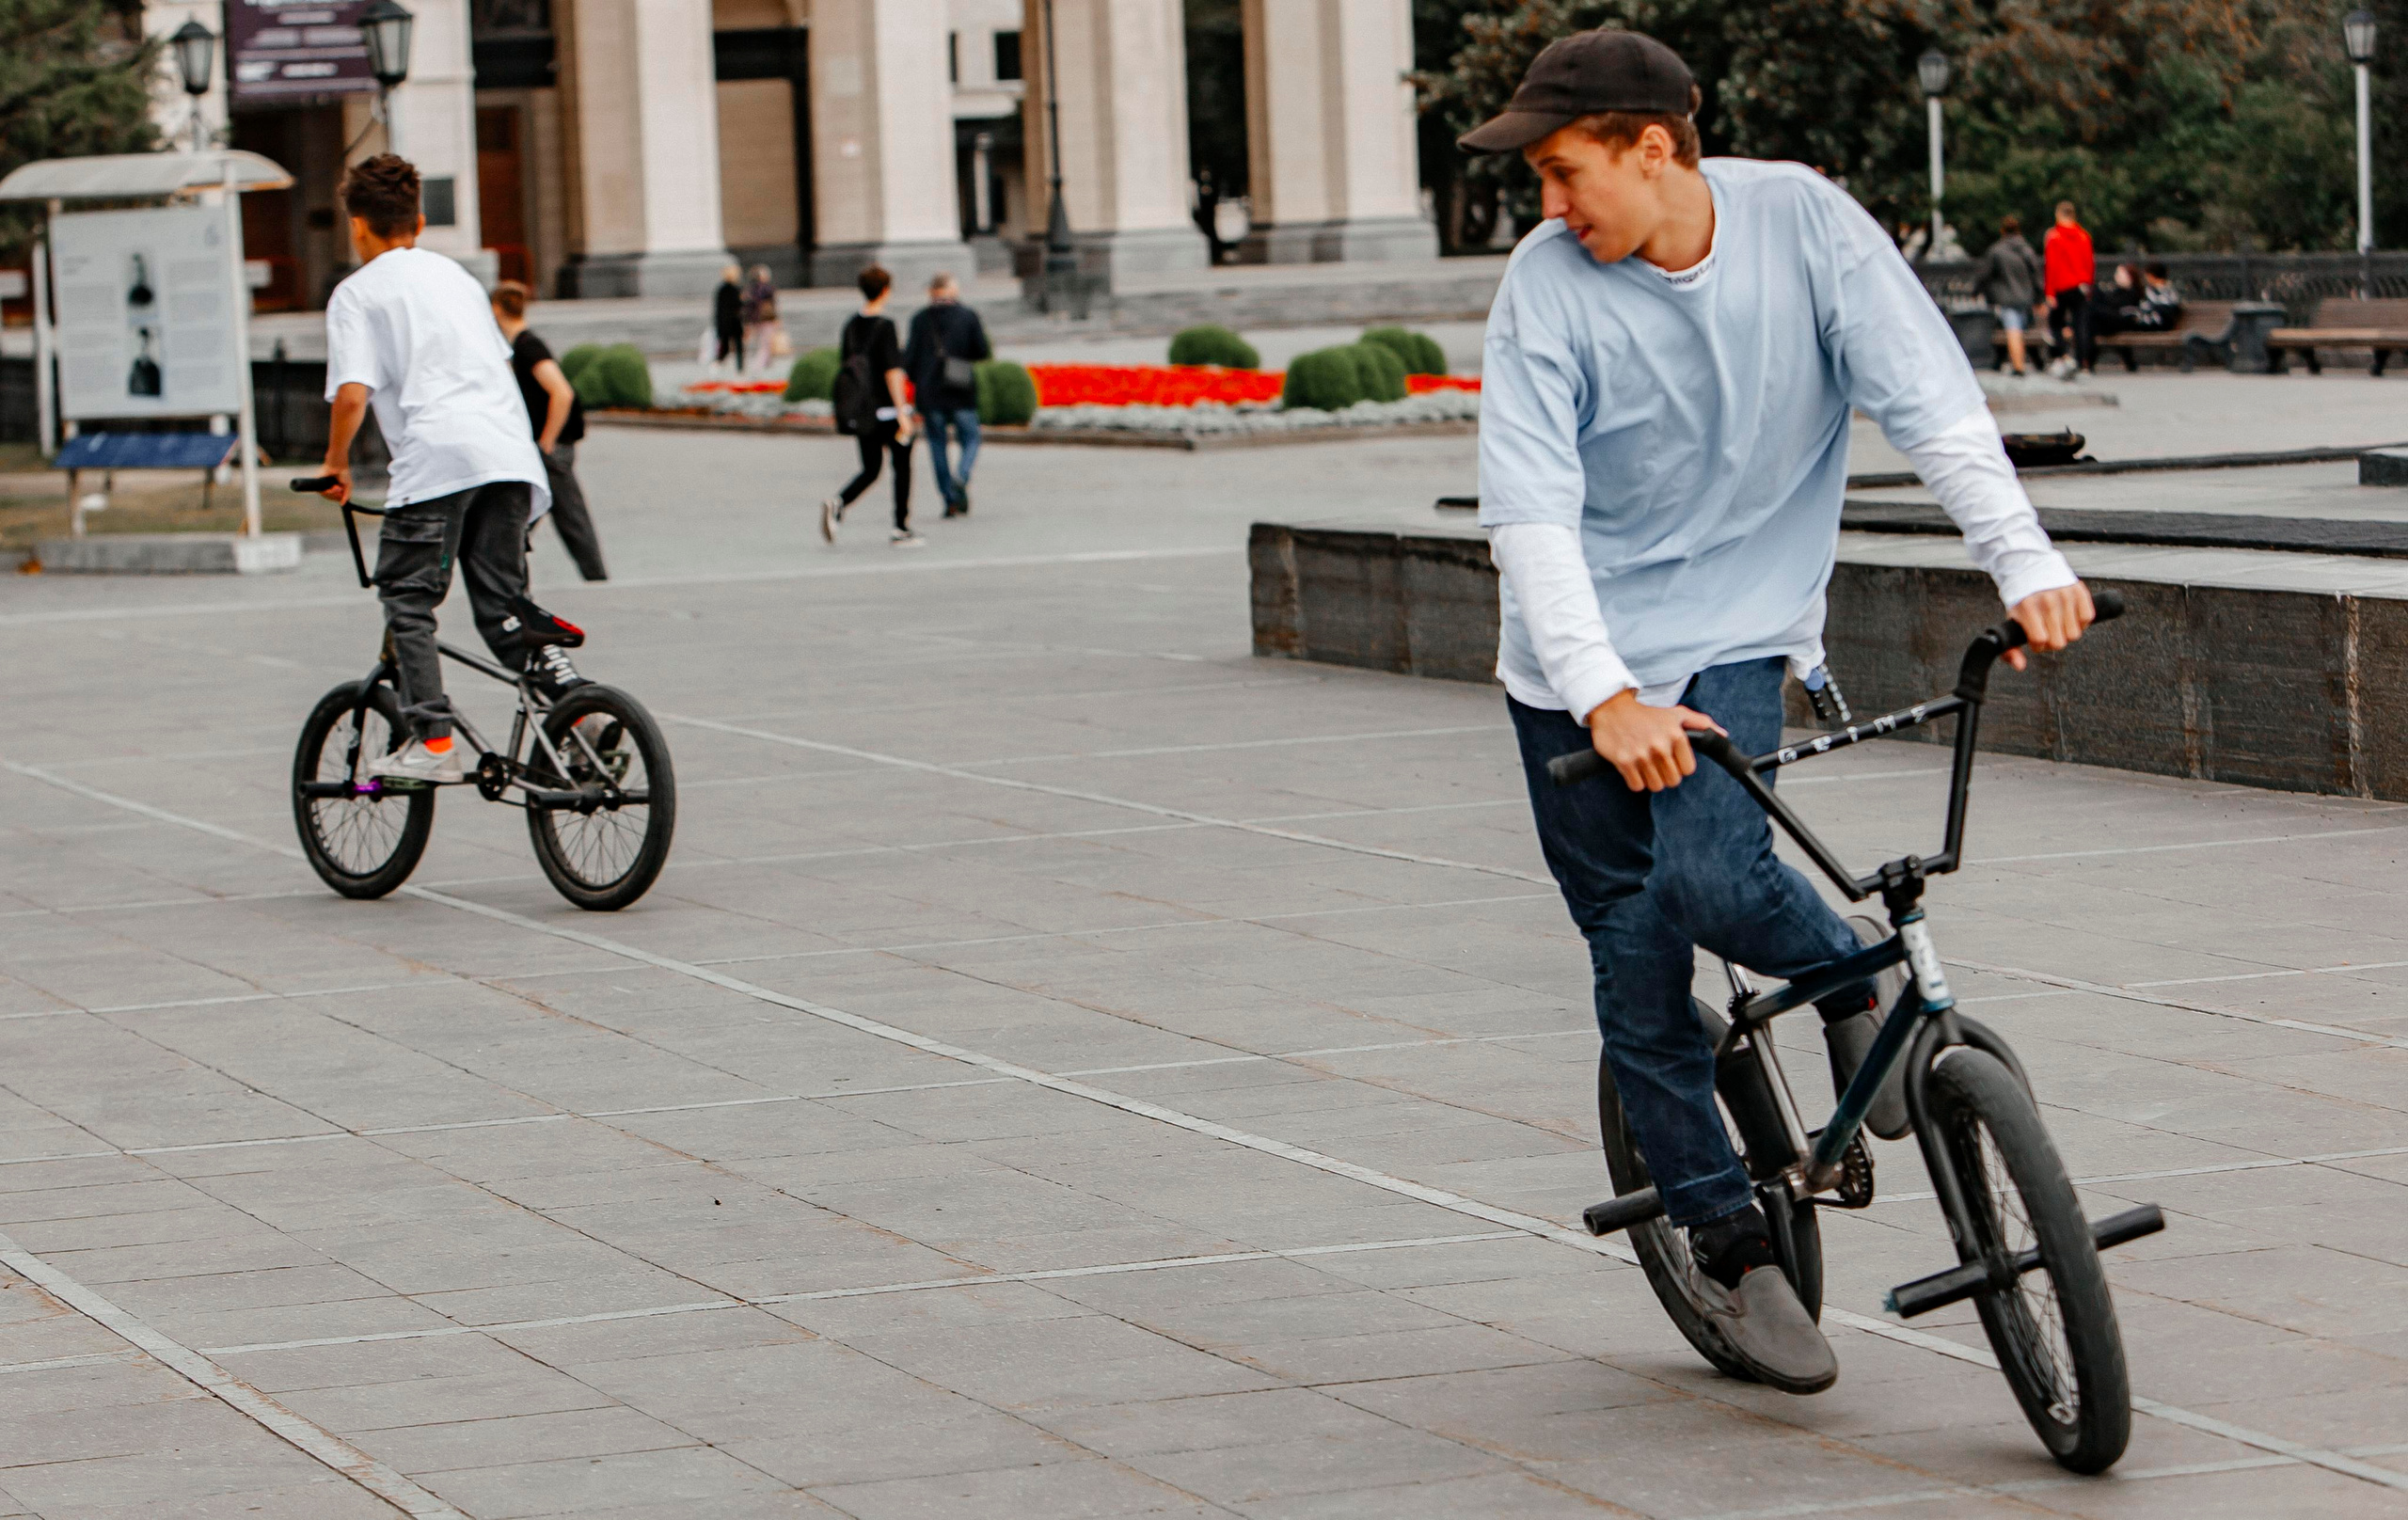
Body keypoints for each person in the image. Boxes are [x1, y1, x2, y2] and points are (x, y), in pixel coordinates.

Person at [1458, 29, 2093, 1392]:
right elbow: (1530, 511)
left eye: (1568, 172)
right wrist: (1605, 694)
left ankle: (1850, 975)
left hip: (1737, 631)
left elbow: (1930, 405)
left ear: (1654, 146)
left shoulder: (1803, 223)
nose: (1552, 207)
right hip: (1573, 664)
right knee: (1638, 957)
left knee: (1711, 873)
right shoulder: (1547, 286)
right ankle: (1733, 1251)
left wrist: (2027, 564)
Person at [316, 153, 587, 786]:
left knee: (407, 600)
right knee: (503, 609)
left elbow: (353, 394)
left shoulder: (357, 293)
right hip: (510, 458)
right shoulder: (461, 280)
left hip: (438, 460)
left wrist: (335, 466)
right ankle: (584, 716)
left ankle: (432, 738)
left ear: (357, 226)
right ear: (420, 219)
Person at [492, 280, 608, 584]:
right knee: (535, 515)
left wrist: (547, 441)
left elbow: (562, 393)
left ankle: (594, 576)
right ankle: (511, 577)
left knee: (545, 517)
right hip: (548, 449)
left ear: (496, 309)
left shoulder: (529, 346)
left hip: (550, 450)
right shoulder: (518, 347)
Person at [818, 265, 922, 547]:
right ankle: (901, 527)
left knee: (871, 468)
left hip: (862, 410)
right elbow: (892, 371)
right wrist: (903, 412)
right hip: (888, 409)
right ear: (886, 290)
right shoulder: (885, 326)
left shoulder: (851, 324)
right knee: (902, 467)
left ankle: (839, 502)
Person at [902, 272, 991, 517]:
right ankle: (961, 476)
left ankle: (949, 499)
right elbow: (981, 350)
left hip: (930, 392)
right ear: (951, 290)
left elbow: (908, 359)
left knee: (937, 444)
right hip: (960, 386)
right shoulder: (966, 315)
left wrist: (920, 375)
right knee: (971, 437)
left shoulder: (920, 319)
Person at [1976, 214, 2044, 375]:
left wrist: (1977, 291)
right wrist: (2039, 298)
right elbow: (2036, 275)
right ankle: (2034, 363)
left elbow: (1985, 275)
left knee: (2013, 329)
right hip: (2026, 298)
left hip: (2006, 297)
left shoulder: (1996, 251)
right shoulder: (2027, 250)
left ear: (2002, 231)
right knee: (2023, 327)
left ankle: (2018, 366)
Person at [2042, 201, 2095, 378]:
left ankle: (2062, 355)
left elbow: (2052, 265)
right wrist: (2088, 285)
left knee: (2055, 322)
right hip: (2080, 286)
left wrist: (2049, 292)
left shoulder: (2054, 236)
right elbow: (2089, 264)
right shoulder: (2083, 236)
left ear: (2059, 214)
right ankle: (2083, 363)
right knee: (2080, 325)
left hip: (2061, 286)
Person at [741, 264, 779, 373]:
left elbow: (748, 307)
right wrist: (776, 319)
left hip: (755, 320)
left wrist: (747, 322)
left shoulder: (750, 290)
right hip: (766, 319)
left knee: (763, 342)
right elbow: (772, 305)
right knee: (765, 343)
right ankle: (758, 365)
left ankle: (767, 363)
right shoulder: (767, 289)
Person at [712, 263, 745, 373]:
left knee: (726, 345)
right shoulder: (735, 289)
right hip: (734, 321)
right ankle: (739, 368)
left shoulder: (721, 289)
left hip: (725, 322)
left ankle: (719, 365)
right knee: (736, 346)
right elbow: (738, 305)